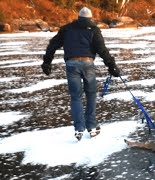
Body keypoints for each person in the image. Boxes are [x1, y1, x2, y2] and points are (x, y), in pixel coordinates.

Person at [41, 7, 121, 141]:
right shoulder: (94, 30)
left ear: (78, 17)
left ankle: (79, 129)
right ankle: (92, 126)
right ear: (90, 18)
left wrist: (47, 62)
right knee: (90, 94)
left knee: (75, 97)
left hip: (71, 64)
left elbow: (52, 44)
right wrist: (112, 66)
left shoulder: (67, 29)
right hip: (88, 63)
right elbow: (102, 50)